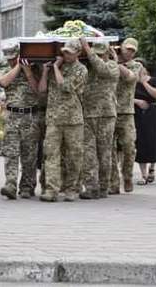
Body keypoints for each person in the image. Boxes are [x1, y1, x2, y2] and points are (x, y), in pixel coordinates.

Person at [38, 38, 88, 202]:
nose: (65, 55)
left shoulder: (81, 70)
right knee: (51, 154)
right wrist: (47, 71)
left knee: (74, 155)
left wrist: (55, 68)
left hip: (73, 120)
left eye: (69, 53)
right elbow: (42, 90)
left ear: (78, 53)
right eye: (64, 52)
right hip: (53, 119)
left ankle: (72, 188)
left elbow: (66, 87)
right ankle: (51, 189)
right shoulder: (55, 68)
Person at [0, 43, 42, 200]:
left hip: (30, 116)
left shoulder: (35, 69)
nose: (10, 61)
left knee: (29, 154)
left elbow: (39, 91)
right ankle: (10, 184)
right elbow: (3, 82)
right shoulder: (5, 70)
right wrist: (18, 67)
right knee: (11, 152)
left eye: (14, 58)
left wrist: (28, 71)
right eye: (8, 59)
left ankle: (27, 187)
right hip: (12, 115)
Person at [78, 38, 119, 199]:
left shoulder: (113, 66)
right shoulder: (87, 66)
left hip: (106, 115)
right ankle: (90, 186)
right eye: (98, 54)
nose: (100, 57)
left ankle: (103, 186)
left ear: (108, 53)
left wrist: (88, 50)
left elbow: (102, 69)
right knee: (88, 152)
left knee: (104, 152)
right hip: (88, 114)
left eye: (102, 54)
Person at [110, 38, 142, 194]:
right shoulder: (110, 61)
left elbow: (130, 77)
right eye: (127, 49)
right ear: (121, 47)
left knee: (129, 147)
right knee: (109, 149)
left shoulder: (136, 65)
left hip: (126, 112)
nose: (128, 52)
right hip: (109, 111)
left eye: (132, 50)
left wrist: (116, 63)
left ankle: (127, 176)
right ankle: (113, 182)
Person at [133, 60, 156, 185]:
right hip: (138, 114)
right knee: (140, 142)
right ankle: (143, 174)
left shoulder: (153, 80)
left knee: (153, 141)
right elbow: (125, 96)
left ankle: (152, 167)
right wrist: (137, 102)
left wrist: (144, 82)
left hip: (152, 114)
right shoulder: (132, 81)